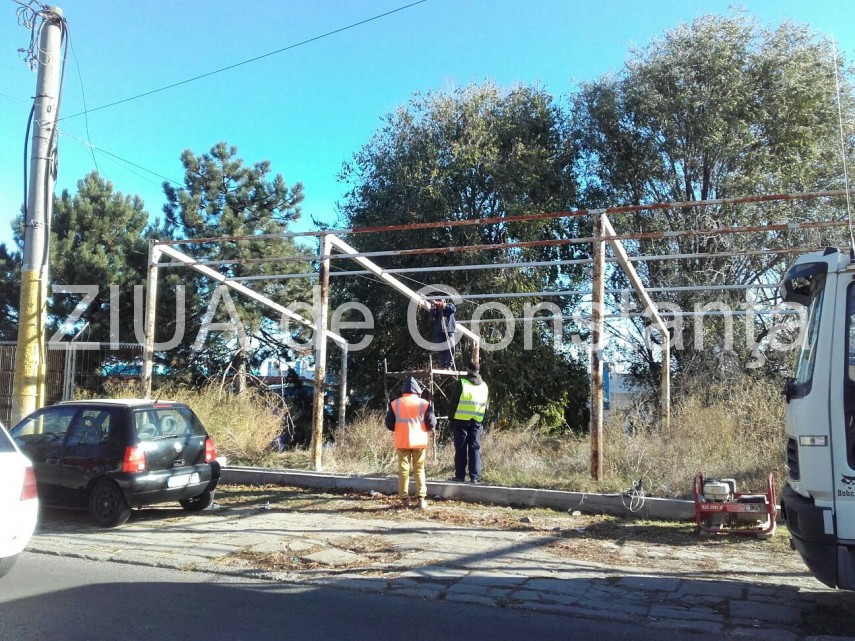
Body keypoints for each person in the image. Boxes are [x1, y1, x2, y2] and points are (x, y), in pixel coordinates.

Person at [385, 377, 437, 509]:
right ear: (418, 391)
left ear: (403, 391)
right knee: (419, 469)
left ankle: (404, 499)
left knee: (403, 470)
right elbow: (432, 423)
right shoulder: (424, 404)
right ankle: (421, 499)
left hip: (402, 441)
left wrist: (400, 428)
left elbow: (389, 424)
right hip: (419, 442)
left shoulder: (395, 404)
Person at [448, 361, 489, 483]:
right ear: (478, 371)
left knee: (461, 448)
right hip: (477, 420)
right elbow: (486, 405)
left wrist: (451, 418)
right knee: (474, 447)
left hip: (461, 419)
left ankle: (460, 476)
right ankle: (475, 477)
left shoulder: (462, 383)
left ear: (467, 369)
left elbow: (454, 402)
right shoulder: (484, 385)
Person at [431, 299, 457, 368]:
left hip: (449, 330)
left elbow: (453, 309)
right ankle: (443, 364)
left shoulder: (450, 306)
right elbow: (434, 315)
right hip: (440, 331)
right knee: (441, 348)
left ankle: (449, 364)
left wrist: (440, 305)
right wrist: (433, 307)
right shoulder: (437, 310)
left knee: (451, 347)